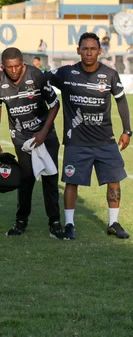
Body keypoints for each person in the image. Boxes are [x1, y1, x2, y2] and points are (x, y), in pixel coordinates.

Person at [45, 32, 131, 240]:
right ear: (78, 50)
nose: (89, 52)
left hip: (105, 141)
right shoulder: (66, 73)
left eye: (93, 49)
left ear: (100, 52)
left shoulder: (110, 75)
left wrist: (127, 131)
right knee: (71, 182)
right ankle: (70, 225)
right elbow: (42, 78)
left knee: (114, 181)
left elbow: (121, 101)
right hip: (77, 141)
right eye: (85, 48)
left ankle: (113, 222)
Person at [0, 47, 64, 239]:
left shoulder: (37, 75)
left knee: (50, 179)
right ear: (3, 66)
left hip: (45, 135)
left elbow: (55, 104)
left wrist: (44, 132)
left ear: (22, 63)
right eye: (9, 67)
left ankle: (55, 223)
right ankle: (21, 221)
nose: (14, 71)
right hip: (21, 137)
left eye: (17, 66)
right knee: (26, 179)